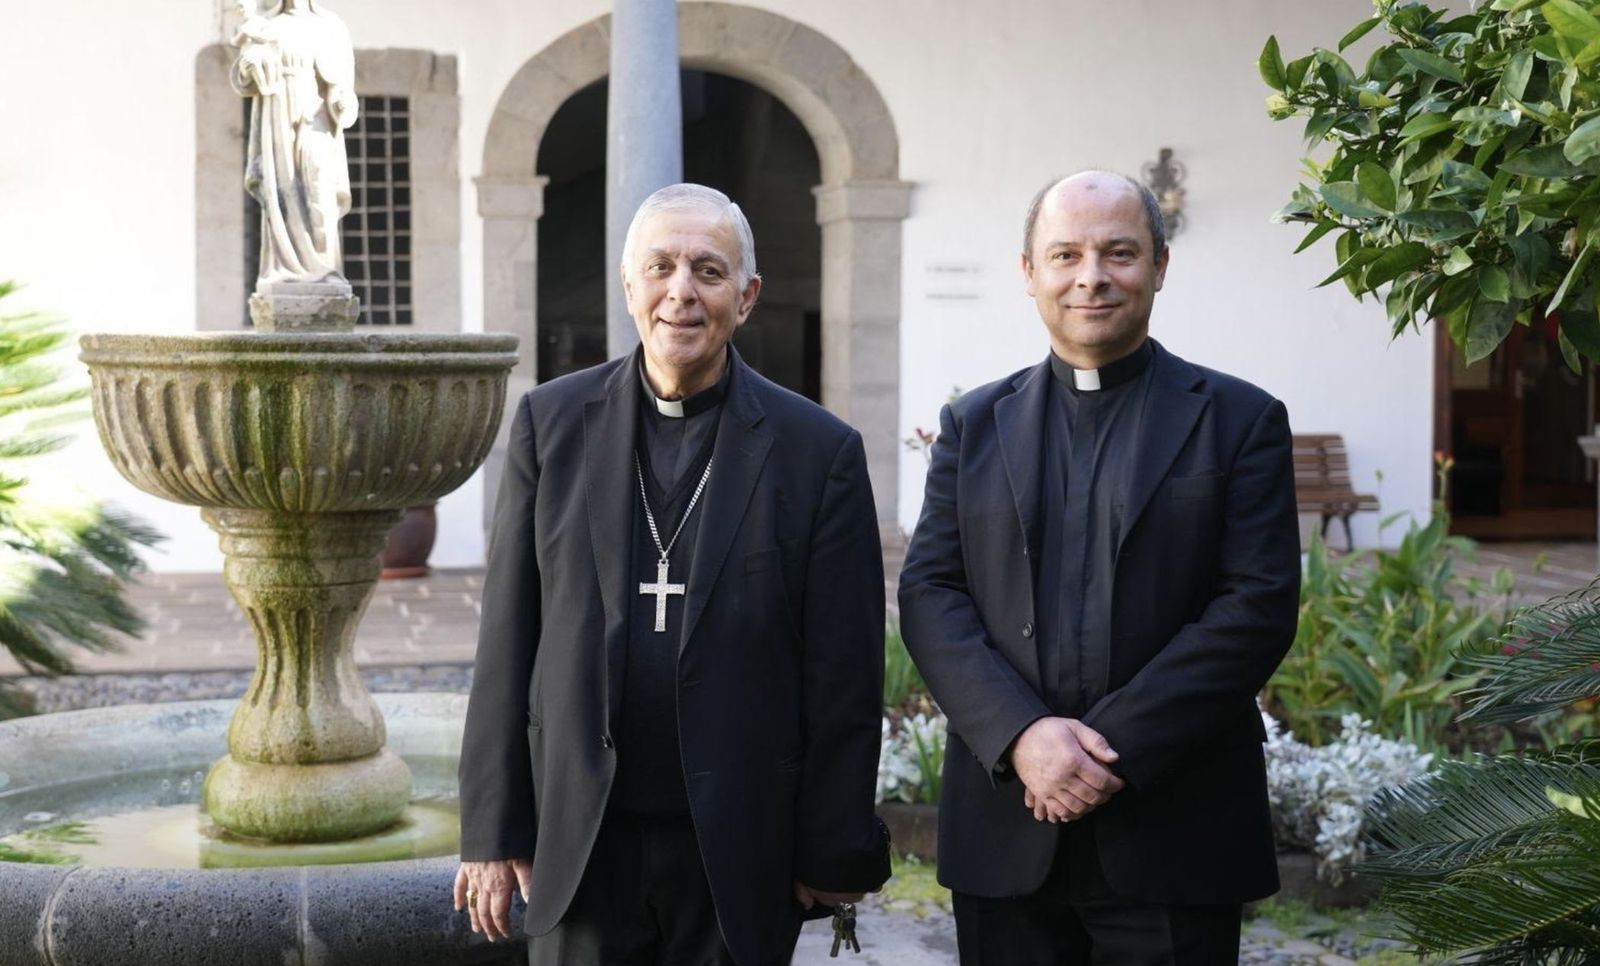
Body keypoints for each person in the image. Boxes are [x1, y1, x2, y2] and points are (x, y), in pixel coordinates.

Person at [454, 183, 890, 966]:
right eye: (659, 267)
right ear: (630, 288)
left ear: (747, 296)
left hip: (736, 849)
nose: (680, 292)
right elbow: (507, 641)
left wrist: (831, 851)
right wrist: (491, 832)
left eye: (708, 271)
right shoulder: (550, 426)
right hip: (582, 843)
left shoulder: (816, 452)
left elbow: (843, 676)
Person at [897, 171, 1301, 964]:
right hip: (1008, 825)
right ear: (1029, 272)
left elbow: (1256, 606)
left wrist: (1103, 748)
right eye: (1066, 254)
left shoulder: (1240, 420)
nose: (1092, 276)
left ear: (1159, 266)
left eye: (1119, 252)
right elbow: (931, 594)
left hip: (1175, 826)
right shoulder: (974, 425)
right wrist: (1023, 738)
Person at [230, 0, 358, 285]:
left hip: (317, 117)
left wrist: (343, 103)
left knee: (320, 190)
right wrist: (249, 66)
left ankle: (325, 270)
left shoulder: (331, 27)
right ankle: (284, 271)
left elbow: (344, 87)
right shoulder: (268, 25)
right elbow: (244, 78)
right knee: (282, 190)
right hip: (277, 117)